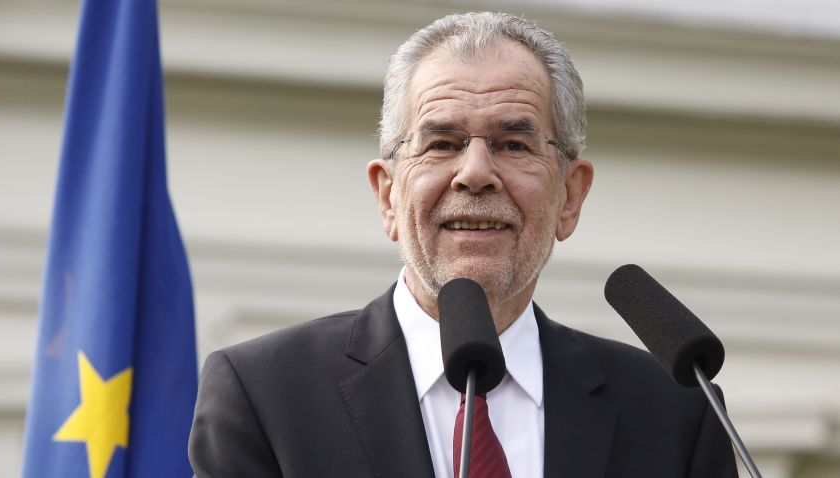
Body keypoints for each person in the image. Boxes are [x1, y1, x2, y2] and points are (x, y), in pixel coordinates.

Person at [189, 12, 738, 478]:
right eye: (443, 142)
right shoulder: (264, 394)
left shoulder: (676, 412)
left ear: (570, 197)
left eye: (513, 143)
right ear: (388, 196)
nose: (475, 173)